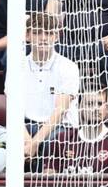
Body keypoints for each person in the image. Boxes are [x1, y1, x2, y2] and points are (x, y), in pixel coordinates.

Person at [23, 13, 80, 170]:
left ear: (56, 36)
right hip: (27, 127)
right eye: (37, 32)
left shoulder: (68, 66)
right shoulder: (17, 65)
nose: (43, 38)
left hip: (60, 128)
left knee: (53, 143)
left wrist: (35, 142)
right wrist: (27, 140)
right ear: (27, 35)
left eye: (48, 33)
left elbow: (61, 110)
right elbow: (13, 109)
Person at [43, 85, 108, 175]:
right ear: (79, 107)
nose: (96, 109)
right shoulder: (62, 139)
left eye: (100, 104)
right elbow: (49, 177)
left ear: (107, 108)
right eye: (90, 104)